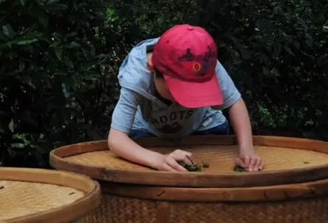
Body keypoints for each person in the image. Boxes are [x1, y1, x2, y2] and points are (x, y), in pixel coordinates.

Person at [108, 24, 264, 172]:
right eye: (177, 91)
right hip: (148, 131)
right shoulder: (136, 75)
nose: (183, 101)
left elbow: (234, 102)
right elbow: (116, 139)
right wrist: (159, 160)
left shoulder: (205, 62)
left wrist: (247, 149)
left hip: (205, 126)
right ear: (152, 68)